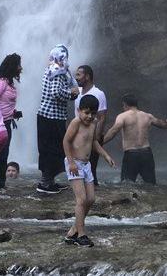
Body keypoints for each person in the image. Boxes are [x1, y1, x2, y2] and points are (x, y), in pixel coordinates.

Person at [62, 94, 115, 247]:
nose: (89, 116)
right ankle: (82, 234)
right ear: (79, 110)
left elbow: (93, 142)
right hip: (74, 164)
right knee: (81, 199)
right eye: (86, 112)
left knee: (91, 199)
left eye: (93, 113)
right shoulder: (76, 123)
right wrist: (71, 162)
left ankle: (73, 231)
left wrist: (106, 155)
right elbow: (66, 141)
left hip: (86, 165)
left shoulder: (93, 124)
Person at [101, 93, 167, 184]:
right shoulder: (148, 116)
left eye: (123, 106)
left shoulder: (123, 116)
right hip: (147, 154)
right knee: (150, 184)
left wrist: (100, 143)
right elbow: (162, 124)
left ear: (125, 104)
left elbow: (113, 131)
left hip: (131, 154)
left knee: (126, 184)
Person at [36, 44, 80, 194]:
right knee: (53, 149)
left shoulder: (50, 68)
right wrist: (71, 94)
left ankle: (48, 181)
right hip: (52, 117)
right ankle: (45, 183)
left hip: (47, 116)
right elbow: (55, 93)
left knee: (49, 149)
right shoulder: (58, 71)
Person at [0, 53, 21, 190]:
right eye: (18, 65)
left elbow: (3, 103)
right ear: (12, 67)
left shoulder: (9, 83)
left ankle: (0, 184)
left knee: (3, 155)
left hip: (7, 122)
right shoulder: (1, 82)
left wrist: (13, 113)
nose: (21, 68)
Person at [73, 65, 107, 185]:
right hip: (78, 136)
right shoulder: (77, 93)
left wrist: (96, 138)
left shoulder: (98, 93)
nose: (75, 77)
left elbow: (102, 117)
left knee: (91, 169)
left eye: (78, 75)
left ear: (87, 76)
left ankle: (93, 196)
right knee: (78, 167)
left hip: (93, 136)